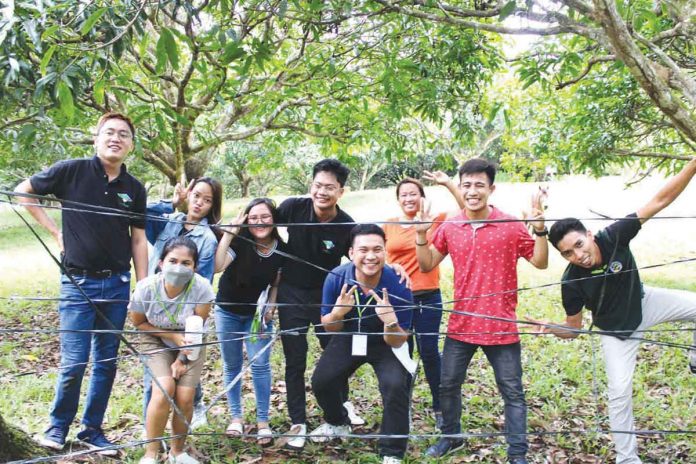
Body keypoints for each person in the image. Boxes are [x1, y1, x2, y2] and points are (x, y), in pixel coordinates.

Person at [542, 157, 696, 464]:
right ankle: (628, 459)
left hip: (643, 301)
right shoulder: (571, 282)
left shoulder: (615, 235)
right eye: (568, 253)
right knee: (619, 392)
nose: (578, 255)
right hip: (616, 331)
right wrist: (551, 327)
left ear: (589, 233)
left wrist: (694, 162)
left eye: (579, 244)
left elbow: (660, 200)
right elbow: (573, 329)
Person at [15, 112, 148, 454]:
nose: (115, 138)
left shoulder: (134, 189)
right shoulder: (70, 170)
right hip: (78, 283)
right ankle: (57, 427)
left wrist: (143, 288)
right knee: (74, 362)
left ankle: (92, 430)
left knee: (106, 363)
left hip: (117, 285)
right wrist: (55, 231)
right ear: (97, 138)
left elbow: (138, 240)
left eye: (123, 134)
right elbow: (22, 192)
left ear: (130, 145)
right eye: (109, 132)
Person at [416, 158, 548, 463]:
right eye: (467, 185)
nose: (472, 191)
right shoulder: (451, 225)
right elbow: (427, 264)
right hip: (462, 325)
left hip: (501, 325)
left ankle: (517, 454)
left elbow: (540, 262)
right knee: (448, 385)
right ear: (460, 188)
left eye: (479, 185)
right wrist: (421, 236)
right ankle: (452, 436)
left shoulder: (510, 225)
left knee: (512, 392)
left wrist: (540, 232)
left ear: (491, 188)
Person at [274, 159, 362, 449]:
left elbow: (361, 260)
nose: (322, 192)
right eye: (318, 185)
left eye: (329, 187)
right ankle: (298, 420)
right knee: (295, 358)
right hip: (291, 295)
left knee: (335, 353)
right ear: (311, 185)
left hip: (327, 297)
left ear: (341, 191)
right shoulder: (291, 208)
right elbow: (261, 227)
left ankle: (342, 406)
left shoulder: (347, 225)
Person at [311, 224, 414, 464]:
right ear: (351, 252)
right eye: (363, 249)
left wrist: (389, 323)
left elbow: (399, 339)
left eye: (377, 249)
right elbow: (329, 326)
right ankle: (337, 422)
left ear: (385, 252)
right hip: (350, 335)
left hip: (386, 341)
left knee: (396, 385)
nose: (371, 256)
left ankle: (392, 451)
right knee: (322, 381)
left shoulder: (399, 284)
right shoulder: (336, 277)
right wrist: (337, 314)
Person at [382, 173, 464, 428]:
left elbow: (465, 209)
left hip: (428, 296)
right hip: (398, 298)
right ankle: (401, 407)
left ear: (422, 198)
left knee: (429, 352)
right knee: (401, 352)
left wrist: (449, 184)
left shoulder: (435, 221)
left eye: (413, 193)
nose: (408, 198)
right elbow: (382, 256)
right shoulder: (390, 224)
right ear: (398, 200)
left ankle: (440, 408)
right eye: (403, 194)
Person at [144, 177, 222, 428]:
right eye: (196, 195)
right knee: (155, 374)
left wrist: (193, 322)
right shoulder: (170, 221)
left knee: (185, 363)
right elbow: (143, 213)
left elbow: (204, 283)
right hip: (156, 306)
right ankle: (153, 422)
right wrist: (172, 203)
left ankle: (191, 407)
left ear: (212, 206)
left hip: (184, 313)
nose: (199, 203)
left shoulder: (207, 239)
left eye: (207, 200)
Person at [129, 237, 214, 464]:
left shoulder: (202, 287)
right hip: (154, 338)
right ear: (161, 262)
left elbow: (196, 328)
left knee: (185, 397)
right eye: (173, 260)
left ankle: (178, 451)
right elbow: (138, 323)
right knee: (165, 388)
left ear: (194, 267)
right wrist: (171, 336)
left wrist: (181, 360)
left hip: (191, 341)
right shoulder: (146, 288)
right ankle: (151, 453)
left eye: (186, 263)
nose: (178, 267)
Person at [214, 197, 287, 447]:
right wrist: (229, 235)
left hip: (256, 316)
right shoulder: (241, 242)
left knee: (260, 364)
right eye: (253, 218)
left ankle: (263, 421)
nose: (259, 222)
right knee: (232, 364)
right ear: (246, 220)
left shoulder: (281, 248)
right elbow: (216, 266)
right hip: (227, 311)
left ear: (274, 219)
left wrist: (272, 305)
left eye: (265, 217)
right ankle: (236, 417)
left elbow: (276, 283)